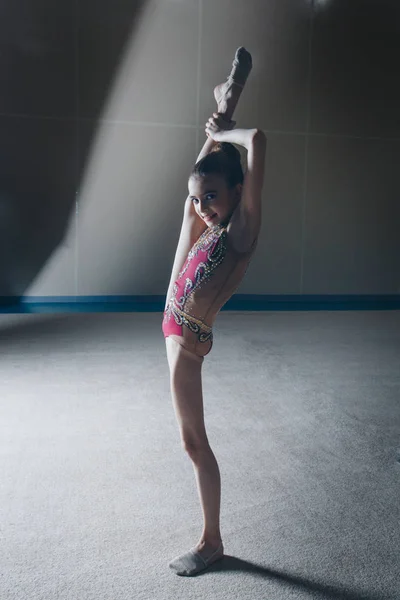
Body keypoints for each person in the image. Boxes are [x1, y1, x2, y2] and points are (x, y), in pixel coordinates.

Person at [162, 48, 267, 576]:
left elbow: (259, 143)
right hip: (173, 323)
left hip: (189, 341)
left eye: (213, 198)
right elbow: (196, 188)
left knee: (193, 441)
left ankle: (212, 541)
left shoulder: (241, 231)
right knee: (187, 207)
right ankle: (226, 101)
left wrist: (230, 132)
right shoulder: (207, 218)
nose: (205, 206)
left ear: (239, 193)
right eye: (201, 198)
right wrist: (216, 128)